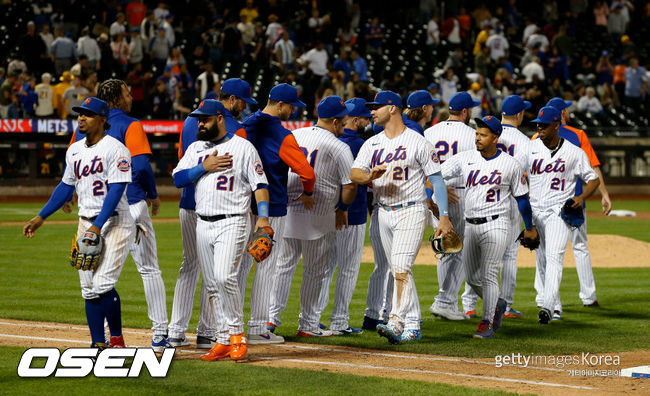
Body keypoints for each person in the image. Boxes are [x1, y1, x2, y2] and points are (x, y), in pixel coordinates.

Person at [23, 97, 135, 349]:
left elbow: (116, 190)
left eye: (89, 114)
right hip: (86, 221)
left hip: (115, 221)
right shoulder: (74, 150)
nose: (81, 118)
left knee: (103, 283)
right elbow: (65, 186)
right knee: (88, 289)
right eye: (80, 114)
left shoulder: (116, 149)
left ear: (103, 119)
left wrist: (99, 225)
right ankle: (98, 342)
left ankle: (116, 338)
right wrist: (41, 216)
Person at [69, 79, 169, 351]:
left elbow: (74, 164)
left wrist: (71, 193)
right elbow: (141, 165)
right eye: (126, 93)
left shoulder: (84, 126)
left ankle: (102, 337)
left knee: (94, 274)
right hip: (131, 204)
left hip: (93, 213)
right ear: (114, 99)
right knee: (148, 269)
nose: (130, 98)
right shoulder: (130, 124)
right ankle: (160, 335)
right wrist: (153, 193)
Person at [351, 90, 453, 343]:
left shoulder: (417, 141)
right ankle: (413, 325)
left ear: (393, 108)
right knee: (400, 268)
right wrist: (369, 177)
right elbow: (354, 173)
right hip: (382, 212)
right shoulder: (372, 143)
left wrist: (444, 217)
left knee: (401, 266)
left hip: (412, 209)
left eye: (377, 107)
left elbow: (437, 181)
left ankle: (395, 321)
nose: (372, 111)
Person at [173, 99, 270, 361]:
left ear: (219, 118)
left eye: (204, 119)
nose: (199, 123)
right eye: (198, 119)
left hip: (234, 220)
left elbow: (260, 184)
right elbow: (178, 178)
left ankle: (237, 336)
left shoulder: (243, 147)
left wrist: (263, 218)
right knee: (213, 284)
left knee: (226, 276)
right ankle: (223, 338)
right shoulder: (196, 148)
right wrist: (202, 168)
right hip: (202, 222)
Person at [268, 96, 357, 337]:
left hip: (289, 210)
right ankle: (307, 324)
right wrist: (342, 209)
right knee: (315, 271)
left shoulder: (296, 135)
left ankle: (269, 319)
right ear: (336, 121)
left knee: (282, 267)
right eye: (344, 121)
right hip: (319, 213)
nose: (346, 125)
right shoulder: (339, 146)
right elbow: (350, 185)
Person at [442, 115, 535, 338]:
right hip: (470, 224)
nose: (478, 138)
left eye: (483, 134)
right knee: (473, 278)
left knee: (489, 273)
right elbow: (436, 175)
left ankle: (487, 322)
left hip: (497, 223)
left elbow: (522, 198)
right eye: (476, 133)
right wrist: (434, 190)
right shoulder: (464, 158)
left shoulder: (510, 164)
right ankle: (498, 304)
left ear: (496, 137)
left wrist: (529, 226)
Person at [237, 83, 316, 344]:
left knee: (239, 267)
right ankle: (258, 327)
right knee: (266, 267)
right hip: (271, 208)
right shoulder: (282, 135)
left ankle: (231, 326)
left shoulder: (244, 125)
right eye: (291, 106)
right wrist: (306, 192)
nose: (293, 111)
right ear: (280, 105)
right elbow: (307, 173)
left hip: (240, 204)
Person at [526, 107, 599, 324]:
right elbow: (514, 172)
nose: (539, 128)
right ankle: (553, 304)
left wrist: (582, 196)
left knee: (555, 256)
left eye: (544, 124)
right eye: (538, 124)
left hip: (559, 211)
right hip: (535, 211)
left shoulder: (574, 152)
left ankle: (548, 307)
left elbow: (592, 178)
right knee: (541, 259)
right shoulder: (529, 149)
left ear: (556, 125)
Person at [461, 95, 532, 319]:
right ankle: (506, 305)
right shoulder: (524, 141)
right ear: (519, 114)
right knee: (509, 255)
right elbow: (524, 177)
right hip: (508, 202)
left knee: (475, 257)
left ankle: (469, 304)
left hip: (478, 197)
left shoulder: (485, 132)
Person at [543, 97, 612, 309]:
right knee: (580, 247)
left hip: (545, 205)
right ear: (562, 114)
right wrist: (604, 193)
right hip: (574, 203)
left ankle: (549, 301)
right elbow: (593, 167)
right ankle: (588, 297)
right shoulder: (577, 134)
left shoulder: (538, 137)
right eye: (567, 110)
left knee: (548, 253)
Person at [423, 91, 480, 321]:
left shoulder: (429, 131)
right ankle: (445, 301)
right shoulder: (472, 135)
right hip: (461, 196)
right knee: (458, 250)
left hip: (436, 195)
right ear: (465, 112)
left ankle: (446, 301)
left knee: (445, 249)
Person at [317, 98, 371, 334]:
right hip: (353, 212)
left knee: (325, 267)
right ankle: (339, 321)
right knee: (348, 268)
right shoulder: (361, 145)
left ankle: (312, 317)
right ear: (355, 120)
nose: (368, 122)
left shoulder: (332, 139)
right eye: (365, 118)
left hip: (328, 211)